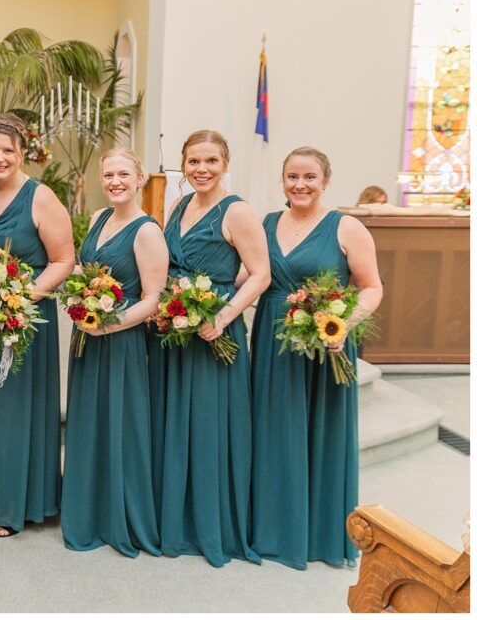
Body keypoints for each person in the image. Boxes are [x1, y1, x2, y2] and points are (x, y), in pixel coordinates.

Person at [249, 147, 382, 569]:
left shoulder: (347, 227)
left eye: (309, 177)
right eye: (292, 176)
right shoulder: (266, 223)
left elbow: (372, 288)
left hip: (327, 346)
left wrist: (343, 324)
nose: (300, 185)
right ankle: (271, 530)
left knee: (319, 434)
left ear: (325, 180)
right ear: (282, 180)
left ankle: (318, 534)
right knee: (272, 432)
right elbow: (249, 276)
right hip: (273, 341)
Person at [156, 130, 270, 568]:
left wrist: (220, 316)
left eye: (211, 161)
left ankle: (209, 524)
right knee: (175, 424)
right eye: (193, 162)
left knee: (207, 426)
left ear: (226, 164)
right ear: (183, 165)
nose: (201, 169)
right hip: (177, 331)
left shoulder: (237, 211)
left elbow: (259, 274)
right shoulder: (180, 205)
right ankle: (174, 520)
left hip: (213, 332)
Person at [0, 113, 74, 538]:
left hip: (23, 320)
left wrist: (20, 300)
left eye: (8, 150)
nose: (0, 157)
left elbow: (63, 260)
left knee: (13, 412)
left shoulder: (40, 197)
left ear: (22, 153)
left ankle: (11, 506)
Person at [60, 148, 168, 556]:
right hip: (89, 337)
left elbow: (153, 298)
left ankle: (118, 517)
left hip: (120, 341)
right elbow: (87, 271)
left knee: (120, 425)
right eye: (108, 175)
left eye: (124, 173)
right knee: (89, 424)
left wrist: (108, 323)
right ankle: (87, 511)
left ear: (140, 178)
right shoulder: (100, 219)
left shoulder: (146, 231)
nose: (115, 181)